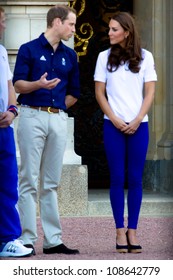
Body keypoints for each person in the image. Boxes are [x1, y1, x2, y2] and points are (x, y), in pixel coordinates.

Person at [13, 5, 80, 255]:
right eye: (71, 24)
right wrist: (37, 85)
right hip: (31, 116)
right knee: (28, 179)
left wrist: (59, 109)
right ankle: (27, 238)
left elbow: (74, 93)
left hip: (58, 119)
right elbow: (18, 84)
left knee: (51, 182)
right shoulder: (28, 49)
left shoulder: (70, 56)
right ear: (57, 22)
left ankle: (53, 240)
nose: (74, 29)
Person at [94, 12, 157, 253]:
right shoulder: (103, 57)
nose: (109, 33)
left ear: (127, 32)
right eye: (109, 29)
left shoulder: (146, 57)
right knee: (117, 178)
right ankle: (119, 231)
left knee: (135, 179)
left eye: (113, 29)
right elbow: (100, 93)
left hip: (139, 125)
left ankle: (133, 230)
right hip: (113, 126)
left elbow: (150, 92)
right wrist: (114, 118)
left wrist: (138, 118)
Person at [0, 6, 33, 257]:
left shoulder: (1, 52)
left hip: (4, 128)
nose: (3, 26)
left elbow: (10, 86)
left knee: (8, 185)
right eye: (1, 22)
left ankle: (8, 238)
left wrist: (12, 110)